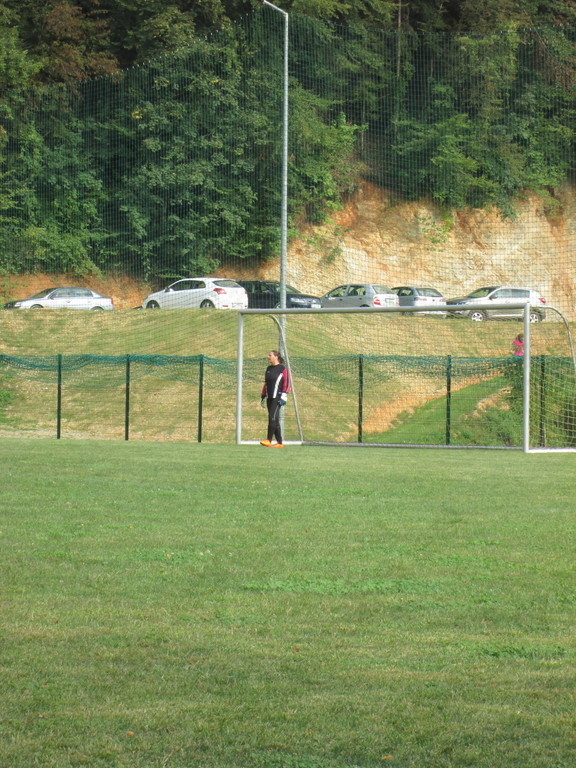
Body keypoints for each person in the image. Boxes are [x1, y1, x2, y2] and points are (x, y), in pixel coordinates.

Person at [260, 350, 290, 447]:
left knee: (272, 417)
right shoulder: (269, 369)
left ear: (276, 356)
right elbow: (266, 383)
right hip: (269, 397)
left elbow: (287, 382)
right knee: (275, 419)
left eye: (270, 355)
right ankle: (279, 442)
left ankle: (268, 440)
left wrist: (284, 395)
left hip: (278, 397)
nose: (268, 357)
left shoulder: (282, 368)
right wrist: (263, 395)